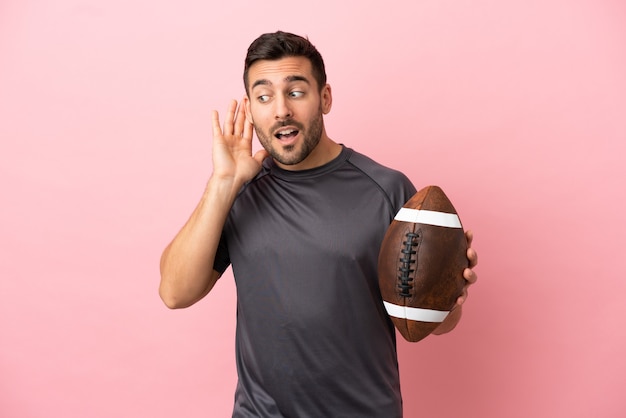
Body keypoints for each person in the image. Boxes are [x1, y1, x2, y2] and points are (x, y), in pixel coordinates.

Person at [159, 31, 478, 417]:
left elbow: (436, 325)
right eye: (264, 97)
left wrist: (449, 294)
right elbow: (175, 293)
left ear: (324, 97)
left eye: (296, 92)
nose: (280, 110)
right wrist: (223, 182)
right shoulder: (238, 192)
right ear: (250, 107)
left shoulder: (386, 189)